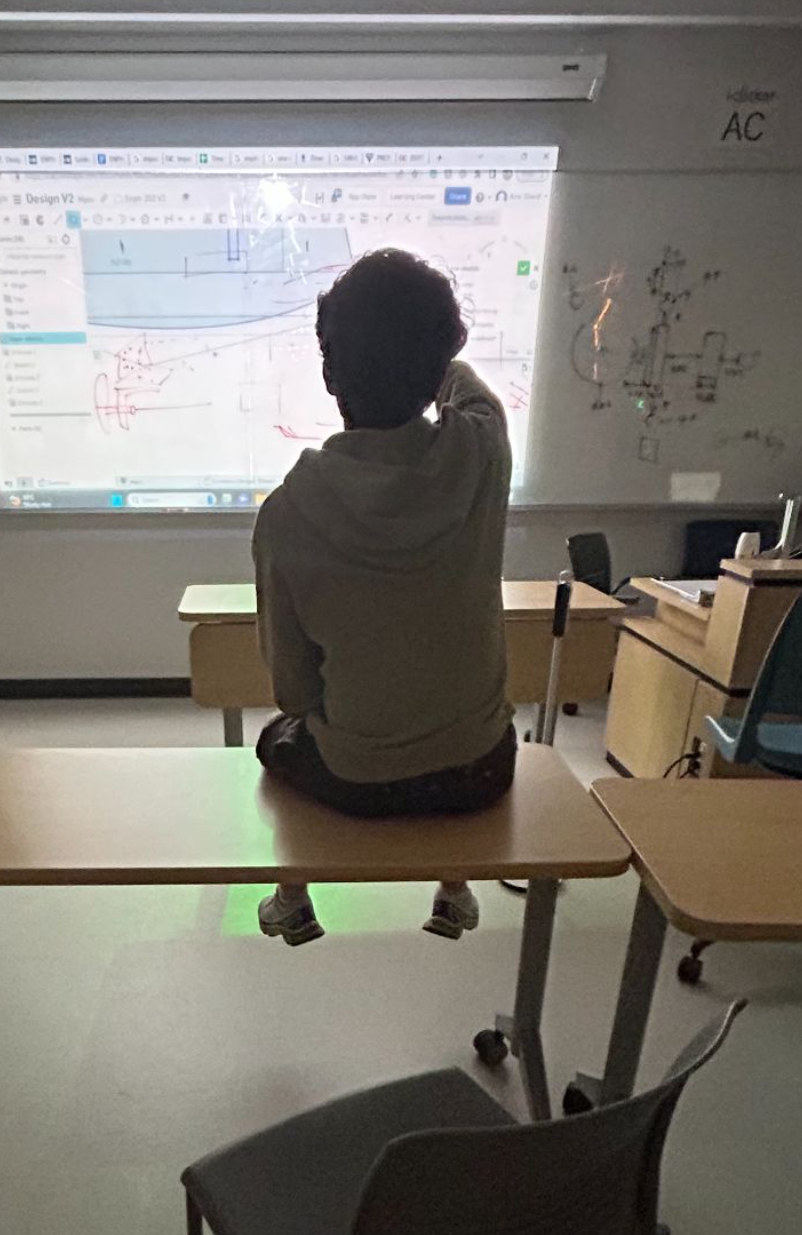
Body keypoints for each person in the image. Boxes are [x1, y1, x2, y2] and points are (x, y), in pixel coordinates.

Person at [251, 248, 516, 947]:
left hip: (359, 779)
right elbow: (471, 391)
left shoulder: (286, 512)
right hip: (483, 768)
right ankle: (454, 890)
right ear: (440, 362)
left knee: (276, 742)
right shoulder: (483, 450)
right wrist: (432, 356)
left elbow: (292, 691)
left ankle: (291, 897)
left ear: (329, 372)